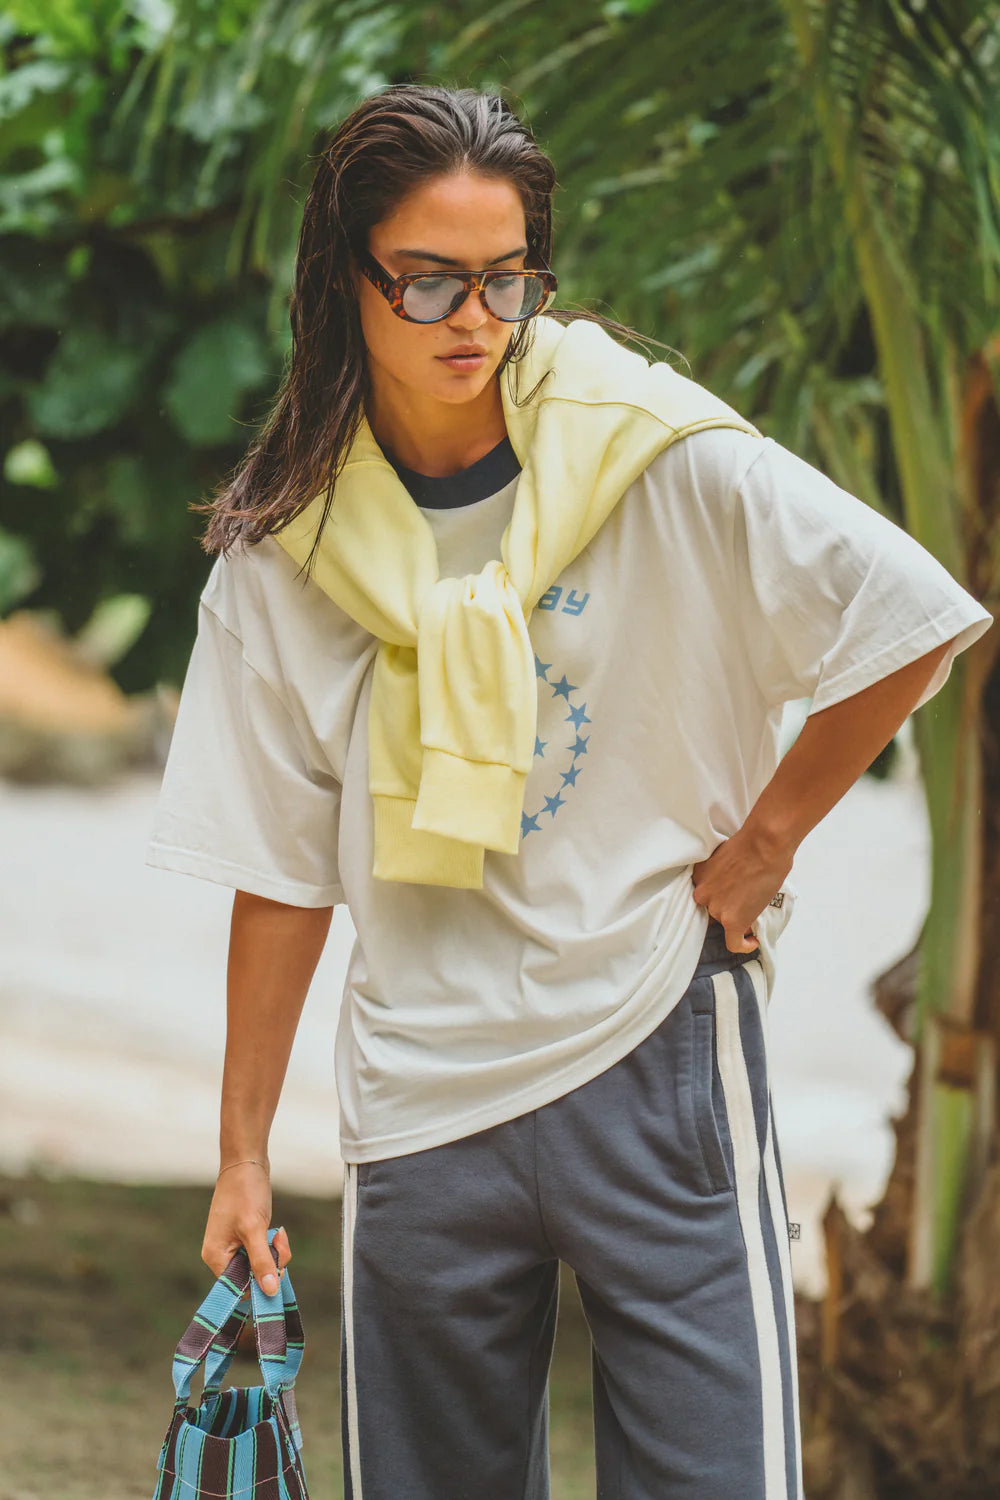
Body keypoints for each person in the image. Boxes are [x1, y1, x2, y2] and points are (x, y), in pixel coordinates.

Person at [144, 83, 993, 1500]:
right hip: (421, 1086)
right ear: (344, 275)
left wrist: (769, 839)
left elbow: (906, 614)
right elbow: (282, 871)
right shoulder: (285, 554)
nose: (473, 318)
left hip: (653, 1036)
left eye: (506, 277)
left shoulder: (651, 453)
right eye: (428, 280)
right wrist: (241, 1154)